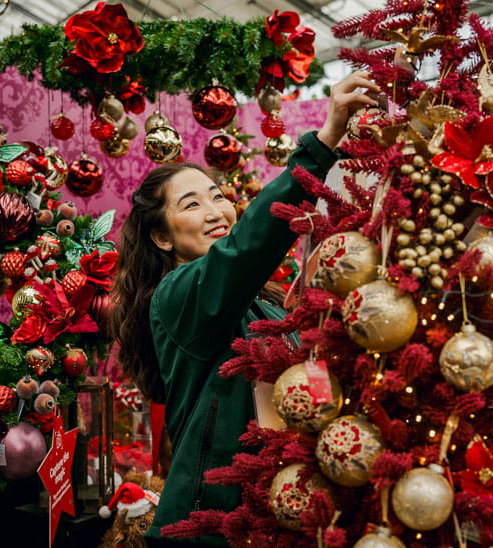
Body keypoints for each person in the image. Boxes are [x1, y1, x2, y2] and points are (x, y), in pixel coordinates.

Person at [111, 72, 381, 547]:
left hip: (283, 510)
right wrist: (324, 141)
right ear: (162, 236)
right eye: (192, 204)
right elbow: (244, 249)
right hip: (215, 526)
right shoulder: (175, 299)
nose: (216, 210)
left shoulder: (265, 303)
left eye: (218, 196)